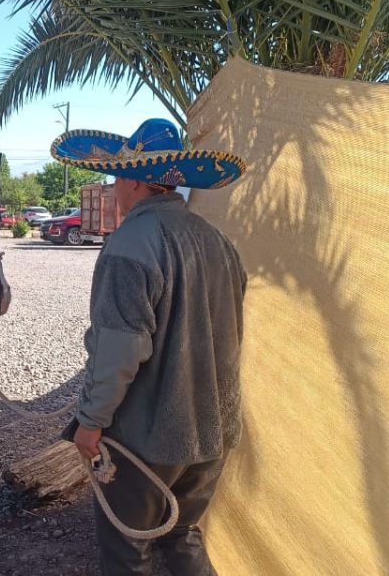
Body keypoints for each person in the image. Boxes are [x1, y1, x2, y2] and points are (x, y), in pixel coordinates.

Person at [57, 118, 248, 575]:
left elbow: (119, 352)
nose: (114, 188)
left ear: (137, 180)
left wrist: (89, 422)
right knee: (184, 537)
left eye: (117, 177)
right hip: (213, 431)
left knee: (128, 554)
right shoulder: (220, 244)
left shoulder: (128, 245)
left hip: (146, 439)